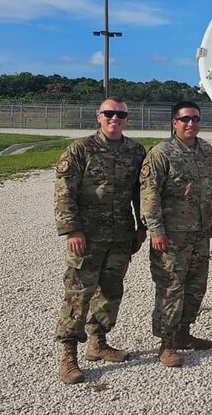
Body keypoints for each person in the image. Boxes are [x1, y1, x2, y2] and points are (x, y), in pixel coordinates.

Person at [53, 97, 147, 384]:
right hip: (88, 236)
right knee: (78, 293)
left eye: (120, 114)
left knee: (110, 291)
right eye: (109, 113)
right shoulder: (81, 149)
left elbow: (140, 193)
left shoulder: (135, 151)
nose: (114, 118)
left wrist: (141, 227)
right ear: (99, 116)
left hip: (121, 235)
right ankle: (68, 355)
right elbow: (64, 191)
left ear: (127, 119)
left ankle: (98, 343)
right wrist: (72, 230)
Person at [141, 100, 212, 368]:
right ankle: (167, 343)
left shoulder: (206, 151)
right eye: (185, 119)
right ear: (174, 122)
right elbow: (149, 196)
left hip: (199, 233)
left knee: (196, 286)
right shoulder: (161, 154)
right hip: (171, 237)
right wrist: (156, 230)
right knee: (171, 288)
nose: (191, 124)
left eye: (195, 119)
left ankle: (184, 333)